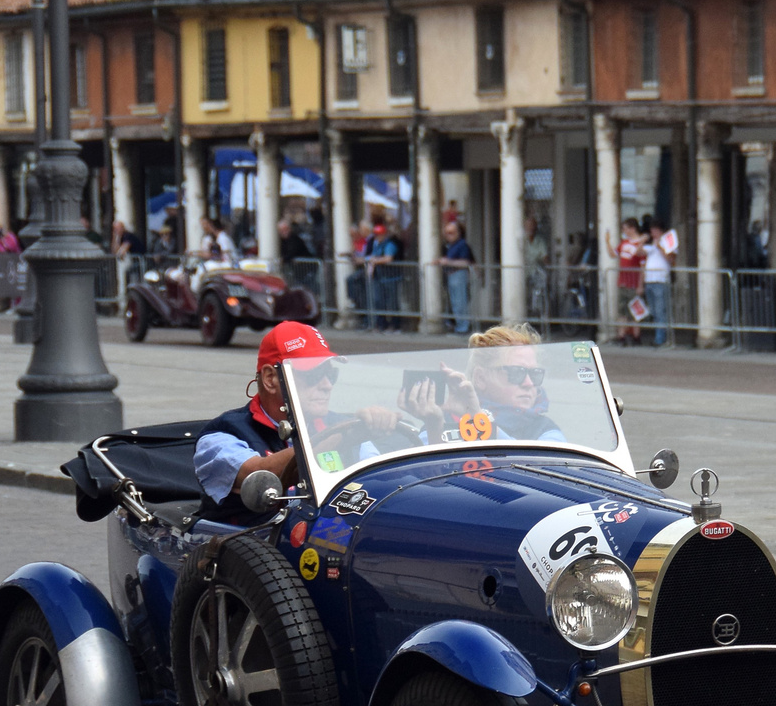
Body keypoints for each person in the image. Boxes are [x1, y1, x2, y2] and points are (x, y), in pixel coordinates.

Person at [192, 321, 409, 519]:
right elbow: (259, 475)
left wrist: (434, 423)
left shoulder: (342, 426)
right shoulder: (221, 436)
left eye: (331, 375)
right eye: (314, 374)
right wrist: (342, 437)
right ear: (270, 379)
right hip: (251, 553)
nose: (327, 385)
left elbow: (388, 486)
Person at [461, 324, 566, 440]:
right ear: (481, 378)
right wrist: (439, 421)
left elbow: (533, 458)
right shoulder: (455, 418)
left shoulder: (545, 430)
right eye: (516, 372)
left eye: (535, 373)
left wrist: (481, 423)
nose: (529, 383)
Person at [605, 218, 645, 345]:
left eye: (625, 228)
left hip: (633, 282)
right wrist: (607, 242)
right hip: (623, 281)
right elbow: (613, 254)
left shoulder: (640, 245)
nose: (624, 231)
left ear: (632, 228)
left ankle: (636, 336)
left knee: (635, 310)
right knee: (622, 310)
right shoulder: (624, 243)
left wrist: (640, 285)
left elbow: (643, 267)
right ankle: (622, 335)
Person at [641, 216, 674, 346]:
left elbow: (670, 259)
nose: (652, 233)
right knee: (654, 311)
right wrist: (641, 241)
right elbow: (639, 253)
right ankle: (658, 335)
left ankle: (660, 339)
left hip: (661, 280)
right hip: (650, 280)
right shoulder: (650, 245)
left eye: (654, 230)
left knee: (661, 310)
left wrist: (660, 246)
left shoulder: (667, 243)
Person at [438, 219, 474, 334]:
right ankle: (459, 325)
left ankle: (463, 327)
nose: (448, 236)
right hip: (451, 275)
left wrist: (447, 262)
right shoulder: (449, 246)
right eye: (447, 233)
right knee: (455, 303)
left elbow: (465, 262)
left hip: (459, 275)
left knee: (460, 302)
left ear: (458, 233)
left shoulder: (462, 245)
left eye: (451, 233)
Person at [524, 215, 549, 318]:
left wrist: (548, 269)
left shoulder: (540, 241)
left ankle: (539, 313)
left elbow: (545, 256)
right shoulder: (522, 240)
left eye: (532, 226)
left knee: (539, 290)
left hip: (536, 271)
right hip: (523, 272)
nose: (530, 228)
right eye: (528, 226)